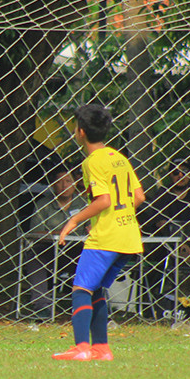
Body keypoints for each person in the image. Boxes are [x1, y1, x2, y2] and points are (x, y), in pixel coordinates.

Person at [52, 104, 145, 362]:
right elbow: (138, 196)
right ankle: (101, 349)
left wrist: (74, 220)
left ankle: (81, 346)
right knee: (97, 291)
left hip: (107, 237)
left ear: (80, 132)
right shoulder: (119, 157)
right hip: (129, 236)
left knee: (81, 289)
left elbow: (103, 200)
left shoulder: (92, 162)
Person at [23, 168, 86, 319]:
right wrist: (58, 234)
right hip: (49, 249)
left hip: (76, 250)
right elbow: (35, 232)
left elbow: (91, 227)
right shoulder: (43, 204)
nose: (64, 185)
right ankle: (42, 307)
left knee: (92, 257)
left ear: (75, 184)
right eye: (59, 182)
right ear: (52, 185)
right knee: (34, 256)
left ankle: (86, 306)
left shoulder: (84, 204)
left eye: (68, 181)